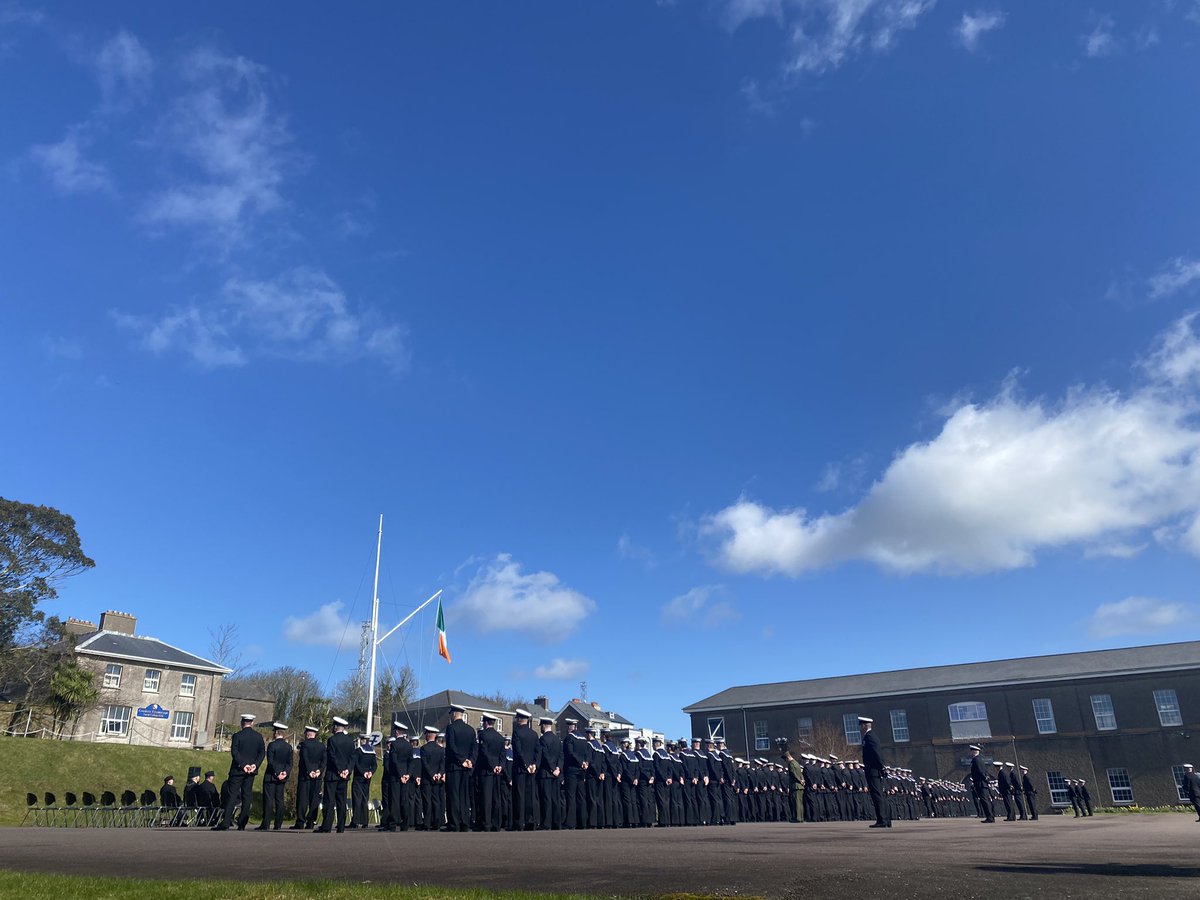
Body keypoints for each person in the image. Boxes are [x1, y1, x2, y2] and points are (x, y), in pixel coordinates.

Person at [214, 713, 265, 831]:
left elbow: (234, 752)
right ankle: (242, 823)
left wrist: (243, 765)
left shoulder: (237, 736)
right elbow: (261, 753)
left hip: (238, 770)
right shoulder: (258, 737)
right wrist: (254, 765)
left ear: (242, 723)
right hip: (251, 771)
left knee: (232, 795)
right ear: (252, 723)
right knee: (247, 796)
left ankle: (226, 822)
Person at [317, 716, 355, 833]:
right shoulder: (350, 740)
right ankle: (341, 826)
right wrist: (347, 770)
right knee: (341, 800)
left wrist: (339, 770)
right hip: (344, 776)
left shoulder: (332, 740)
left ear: (335, 727)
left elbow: (332, 757)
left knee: (329, 800)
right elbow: (353, 757)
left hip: (333, 775)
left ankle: (327, 826)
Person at [444, 704, 477, 832]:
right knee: (464, 795)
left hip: (454, 766)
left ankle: (454, 823)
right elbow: (475, 748)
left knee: (454, 795)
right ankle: (465, 822)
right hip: (467, 767)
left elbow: (451, 746)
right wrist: (470, 760)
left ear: (453, 714)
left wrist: (461, 760)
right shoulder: (470, 730)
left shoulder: (451, 728)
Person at [257, 722, 292, 831]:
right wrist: (284, 773)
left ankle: (266, 823)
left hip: (271, 776)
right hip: (282, 777)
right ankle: (278, 824)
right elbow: (290, 763)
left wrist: (277, 773)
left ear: (276, 733)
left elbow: (271, 762)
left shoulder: (272, 745)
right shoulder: (288, 747)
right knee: (279, 800)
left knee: (268, 800)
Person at [510, 708, 540, 831]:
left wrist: (526, 765)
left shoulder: (516, 732)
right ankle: (530, 821)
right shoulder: (534, 734)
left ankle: (519, 822)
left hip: (520, 769)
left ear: (519, 719)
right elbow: (538, 752)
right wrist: (534, 764)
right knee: (530, 796)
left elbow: (518, 751)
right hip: (531, 770)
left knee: (519, 796)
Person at [475, 713, 506, 831]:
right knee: (496, 798)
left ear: (485, 723)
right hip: (497, 771)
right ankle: (496, 823)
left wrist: (492, 766)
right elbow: (503, 754)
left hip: (486, 771)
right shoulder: (499, 737)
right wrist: (499, 766)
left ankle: (486, 823)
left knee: (486, 798)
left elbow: (484, 752)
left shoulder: (483, 735)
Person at [291, 725, 325, 829]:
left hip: (305, 776)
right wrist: (318, 770)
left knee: (302, 799)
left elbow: (305, 758)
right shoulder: (322, 746)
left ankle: (300, 821)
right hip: (317, 776)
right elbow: (324, 761)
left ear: (307, 734)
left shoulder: (304, 745)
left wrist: (310, 771)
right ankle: (311, 821)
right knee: (314, 799)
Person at [858, 717, 890, 828]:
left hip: (873, 770)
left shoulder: (869, 737)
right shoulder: (871, 736)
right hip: (874, 769)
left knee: (877, 795)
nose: (860, 728)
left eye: (861, 725)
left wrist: (881, 767)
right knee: (879, 795)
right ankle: (886, 819)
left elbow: (877, 753)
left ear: (864, 725)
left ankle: (882, 819)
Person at [562, 718, 591, 829]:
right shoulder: (583, 739)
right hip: (582, 770)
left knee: (571, 796)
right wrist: (585, 763)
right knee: (581, 796)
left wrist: (580, 762)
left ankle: (570, 822)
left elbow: (569, 753)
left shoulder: (569, 738)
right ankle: (582, 821)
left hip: (572, 769)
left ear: (570, 727)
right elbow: (588, 753)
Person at [536, 716, 562, 830]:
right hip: (556, 773)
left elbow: (545, 755)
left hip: (546, 773)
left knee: (545, 799)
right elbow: (561, 756)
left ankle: (546, 823)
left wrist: (551, 768)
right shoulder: (557, 739)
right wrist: (558, 768)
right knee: (555, 799)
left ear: (543, 726)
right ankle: (557, 822)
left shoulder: (542, 739)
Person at [420, 725, 445, 830]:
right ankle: (437, 822)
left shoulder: (424, 749)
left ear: (428, 735)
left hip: (427, 778)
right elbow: (442, 764)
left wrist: (431, 774)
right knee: (436, 800)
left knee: (427, 801)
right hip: (437, 779)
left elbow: (425, 764)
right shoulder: (440, 749)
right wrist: (438, 774)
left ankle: (427, 823)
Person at [350, 733, 377, 829]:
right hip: (368, 778)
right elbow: (374, 765)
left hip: (359, 777)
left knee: (357, 798)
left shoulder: (358, 751)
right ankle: (365, 821)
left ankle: (356, 821)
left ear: (362, 740)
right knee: (365, 798)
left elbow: (356, 764)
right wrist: (370, 772)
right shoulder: (372, 752)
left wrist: (363, 772)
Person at [968, 745, 994, 823]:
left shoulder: (976, 760)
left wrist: (984, 779)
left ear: (974, 751)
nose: (970, 752)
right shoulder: (980, 759)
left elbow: (981, 771)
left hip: (980, 783)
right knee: (985, 800)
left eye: (971, 751)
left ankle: (990, 817)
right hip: (981, 783)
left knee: (985, 800)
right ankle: (990, 816)